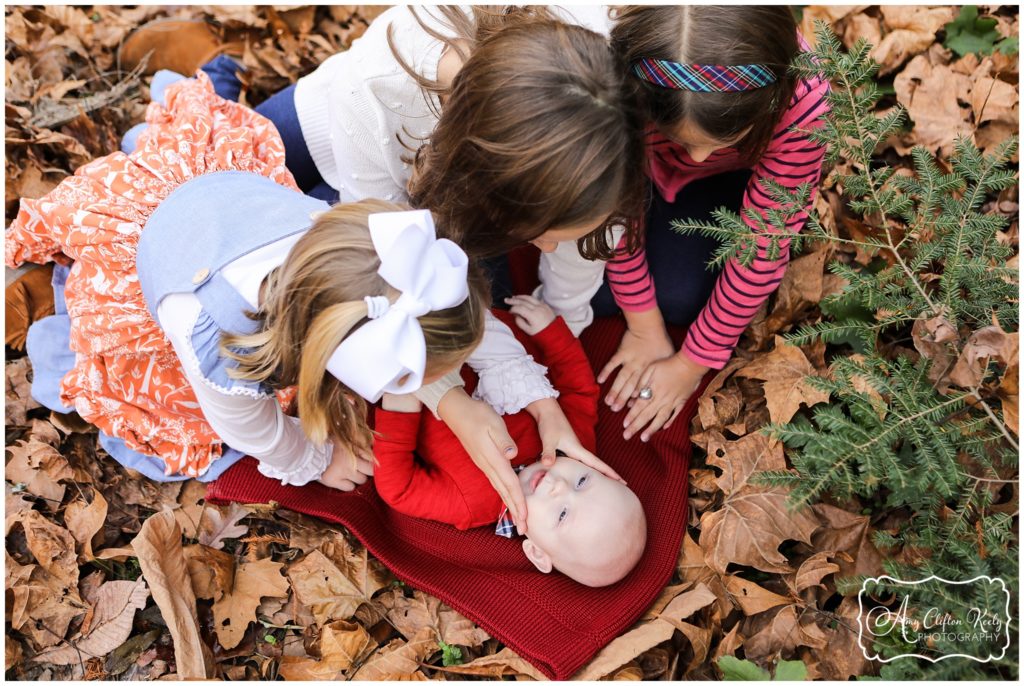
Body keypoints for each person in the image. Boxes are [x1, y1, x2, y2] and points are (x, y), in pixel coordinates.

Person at [4, 73, 490, 488]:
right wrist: (316, 461)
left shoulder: (345, 240)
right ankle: (49, 295)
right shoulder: (221, 348)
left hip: (217, 194)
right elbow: (255, 433)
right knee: (177, 426)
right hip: (152, 256)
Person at [536, 5, 830, 444]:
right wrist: (643, 324)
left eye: (718, 142)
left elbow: (761, 247)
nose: (696, 156)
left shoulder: (802, 103)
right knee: (587, 280)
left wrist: (692, 363)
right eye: (681, 139)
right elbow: (617, 202)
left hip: (732, 186)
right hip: (633, 176)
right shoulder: (622, 81)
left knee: (682, 298)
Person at [373, 296, 647, 588]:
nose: (560, 487)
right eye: (582, 481)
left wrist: (399, 410)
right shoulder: (573, 445)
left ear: (537, 552)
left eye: (562, 514)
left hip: (412, 371)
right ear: (601, 470)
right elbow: (578, 389)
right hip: (481, 327)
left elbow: (399, 489)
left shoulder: (472, 504)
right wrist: (552, 332)